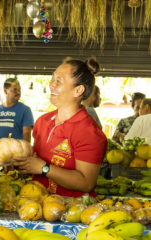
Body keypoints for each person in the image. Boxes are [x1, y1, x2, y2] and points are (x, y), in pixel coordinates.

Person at [10, 57, 107, 198]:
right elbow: (36, 163)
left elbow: (87, 183)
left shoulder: (89, 132)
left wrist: (43, 168)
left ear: (78, 90)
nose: (51, 85)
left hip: (71, 212)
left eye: (58, 81)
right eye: (52, 78)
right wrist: (21, 164)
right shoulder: (42, 121)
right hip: (37, 205)